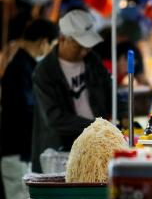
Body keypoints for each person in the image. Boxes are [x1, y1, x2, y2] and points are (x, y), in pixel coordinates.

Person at [0, 19, 57, 199]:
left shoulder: (22, 66)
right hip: (15, 154)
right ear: (44, 42)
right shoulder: (19, 69)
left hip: (17, 152)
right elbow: (24, 111)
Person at [32, 9, 112, 173]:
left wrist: (123, 117)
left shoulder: (92, 61)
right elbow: (54, 118)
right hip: (60, 152)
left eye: (87, 46)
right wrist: (96, 126)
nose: (84, 51)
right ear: (62, 40)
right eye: (78, 46)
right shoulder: (45, 71)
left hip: (94, 146)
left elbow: (111, 95)